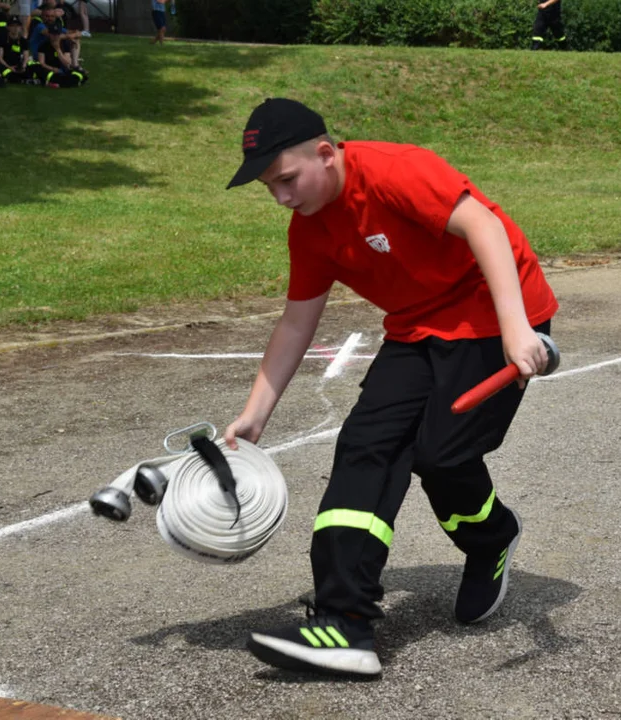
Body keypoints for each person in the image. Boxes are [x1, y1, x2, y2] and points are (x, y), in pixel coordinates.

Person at [222, 98, 559, 677]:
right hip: (416, 329)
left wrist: (515, 329)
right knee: (364, 447)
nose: (281, 197)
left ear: (325, 154)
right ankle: (342, 623)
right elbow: (296, 322)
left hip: (494, 318)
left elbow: (484, 224)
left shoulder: (396, 170)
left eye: (285, 179)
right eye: (268, 188)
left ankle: (491, 538)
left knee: (441, 457)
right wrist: (255, 416)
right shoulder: (310, 228)